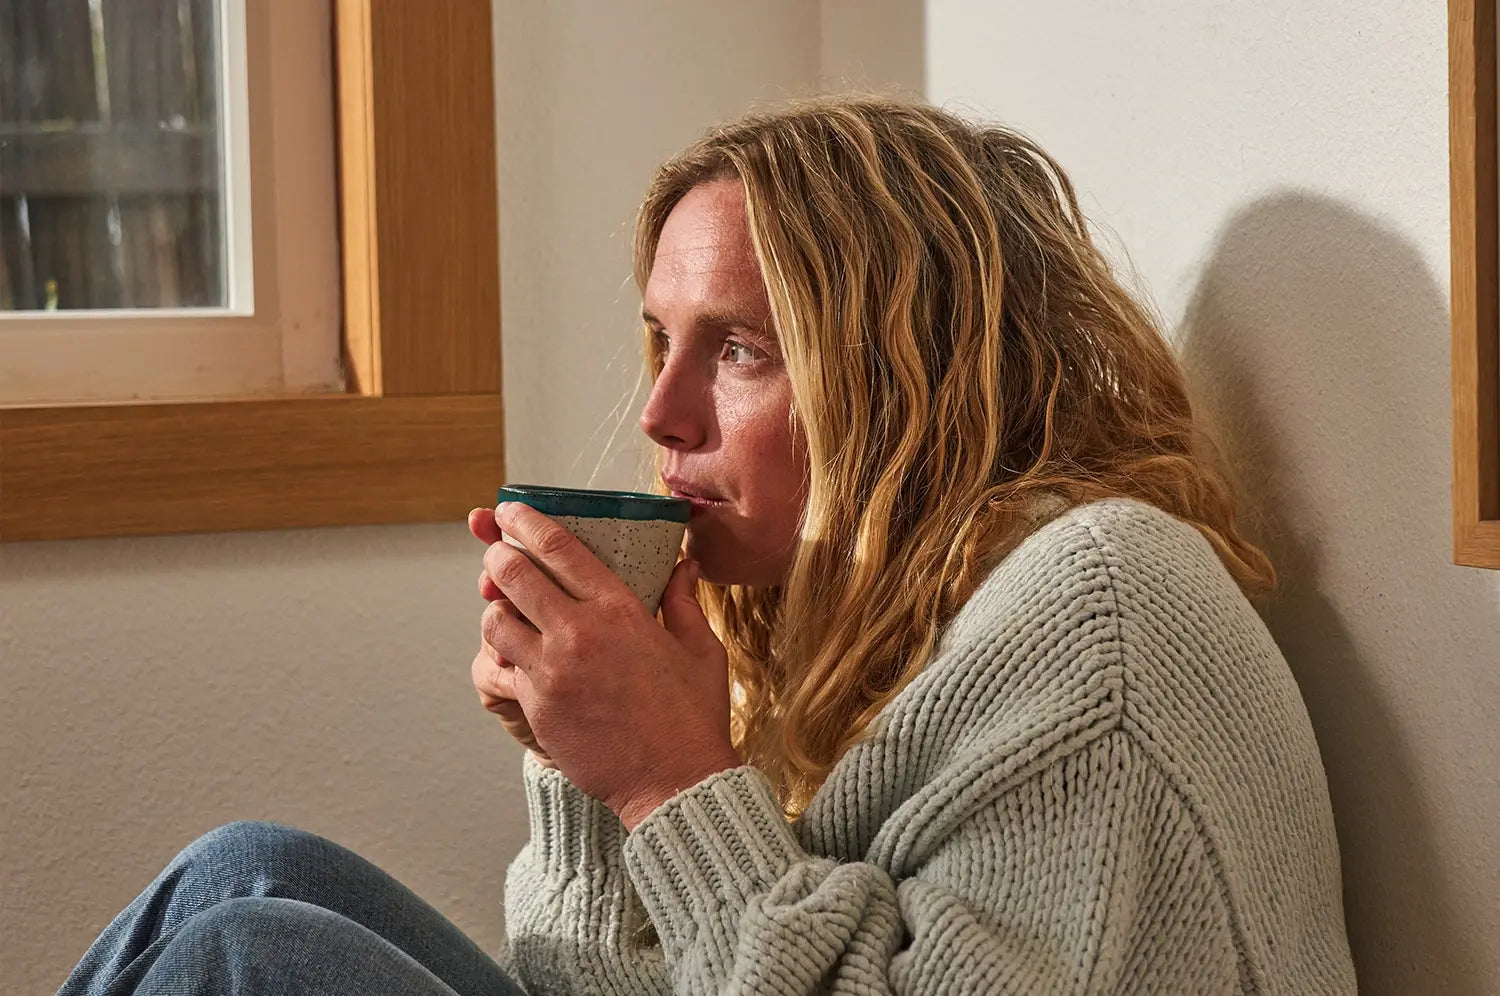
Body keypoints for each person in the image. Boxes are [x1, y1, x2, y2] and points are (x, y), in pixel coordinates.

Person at [59, 95, 1357, 995]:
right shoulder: (849, 627)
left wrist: (669, 789)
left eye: (739, 350)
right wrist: (584, 775)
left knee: (247, 965)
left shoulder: (1099, 612)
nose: (664, 416)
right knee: (243, 874)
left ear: (913, 374)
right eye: (661, 343)